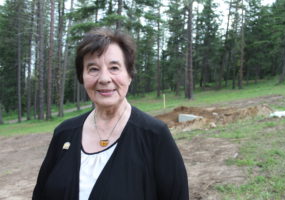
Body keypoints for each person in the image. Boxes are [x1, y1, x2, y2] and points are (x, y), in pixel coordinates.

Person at [32, 27, 189, 200]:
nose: (104, 79)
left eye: (114, 67)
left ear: (129, 75)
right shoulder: (64, 133)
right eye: (93, 69)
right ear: (82, 77)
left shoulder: (154, 135)